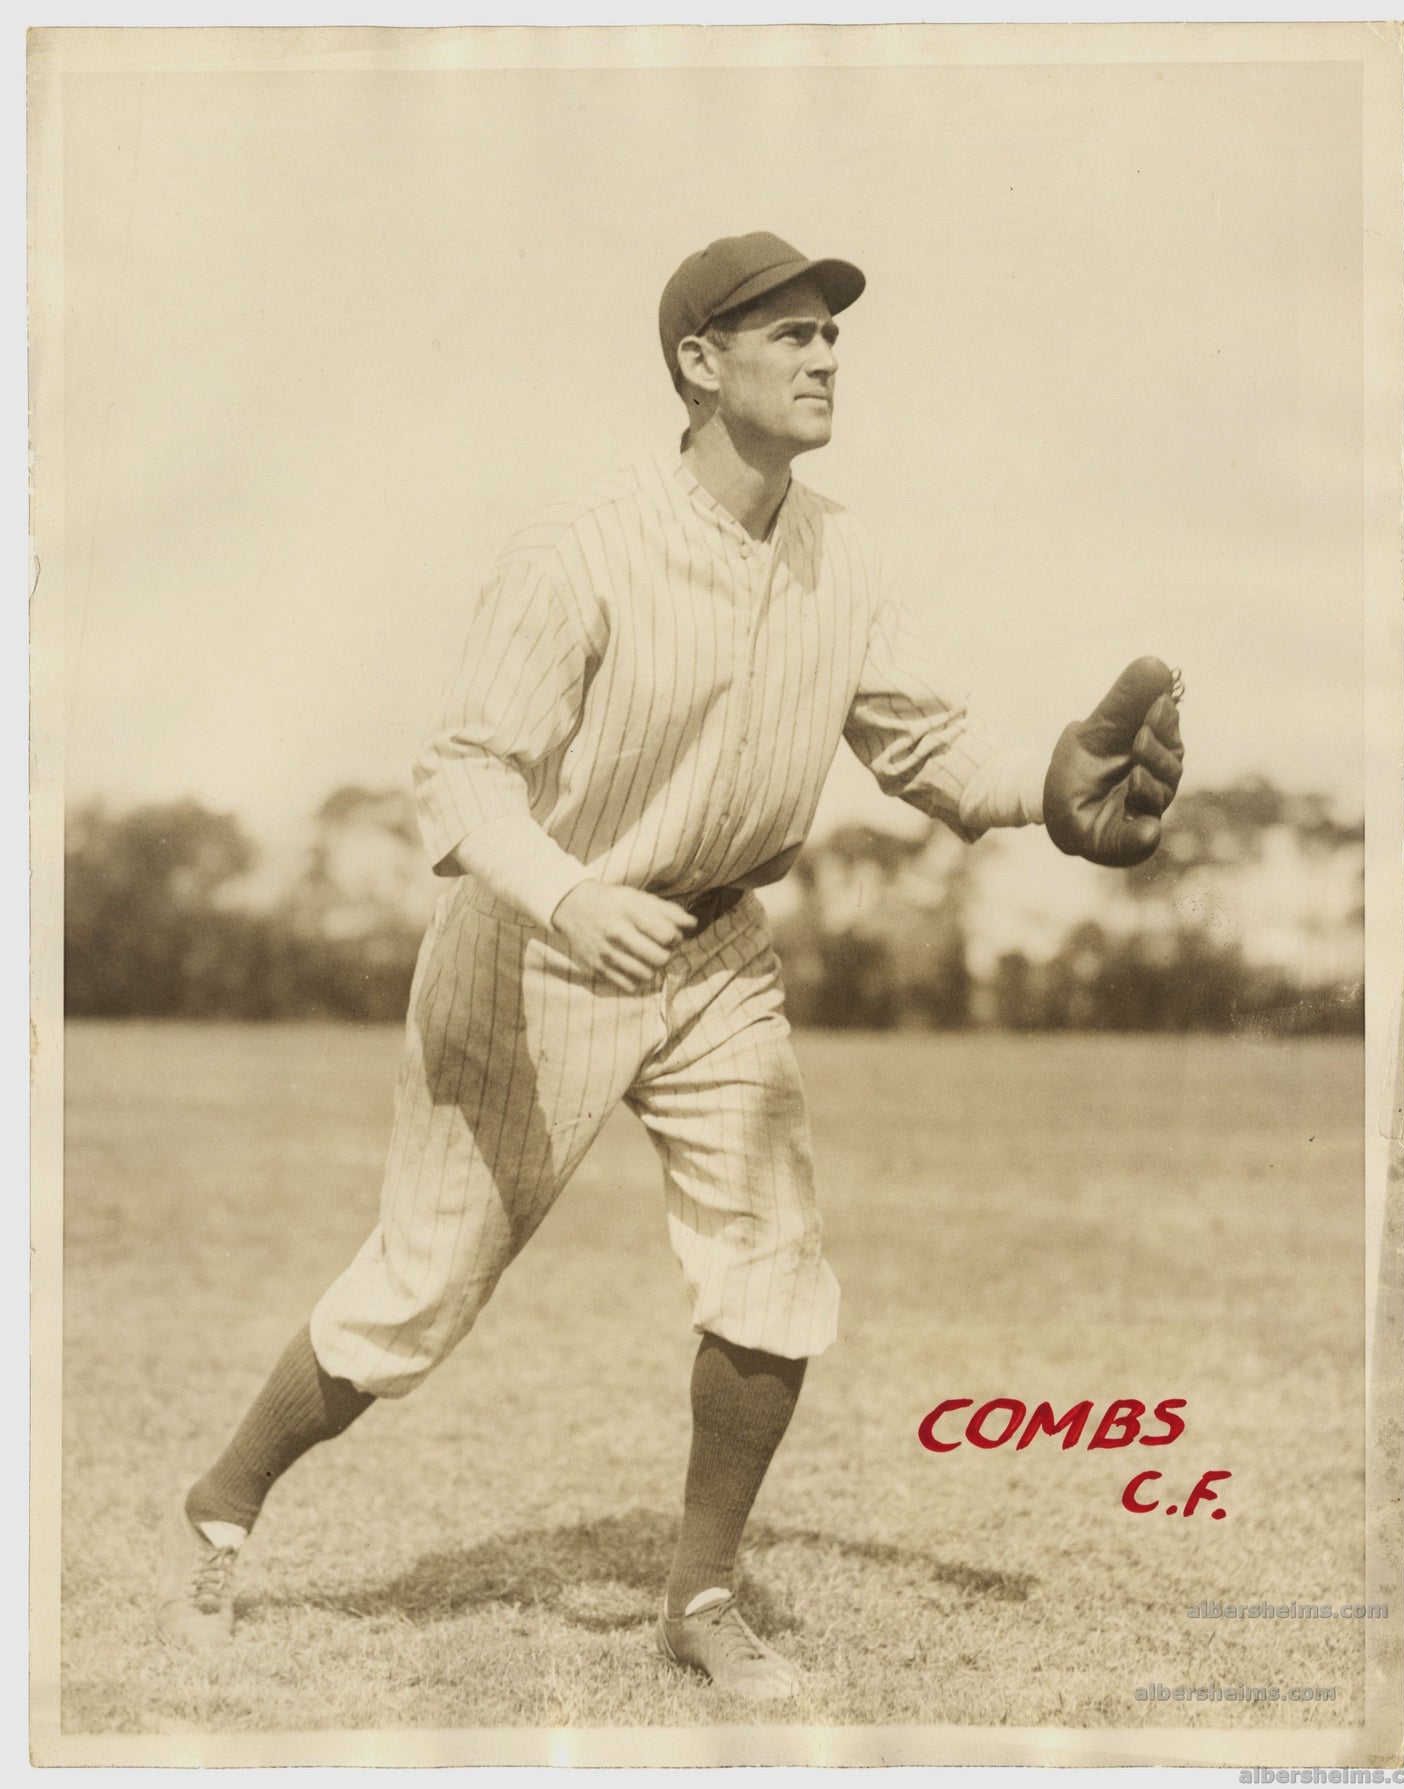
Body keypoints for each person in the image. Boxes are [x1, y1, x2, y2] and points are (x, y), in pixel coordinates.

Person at [157, 231, 1184, 1700]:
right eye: (790, 333)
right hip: (535, 945)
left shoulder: (844, 552)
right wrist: (568, 896)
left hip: (717, 950)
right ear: (699, 365)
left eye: (834, 332)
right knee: (416, 1290)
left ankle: (700, 1596)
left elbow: (920, 747)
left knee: (773, 1271)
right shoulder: (577, 552)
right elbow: (459, 776)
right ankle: (225, 1502)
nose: (827, 353)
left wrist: (1046, 788)